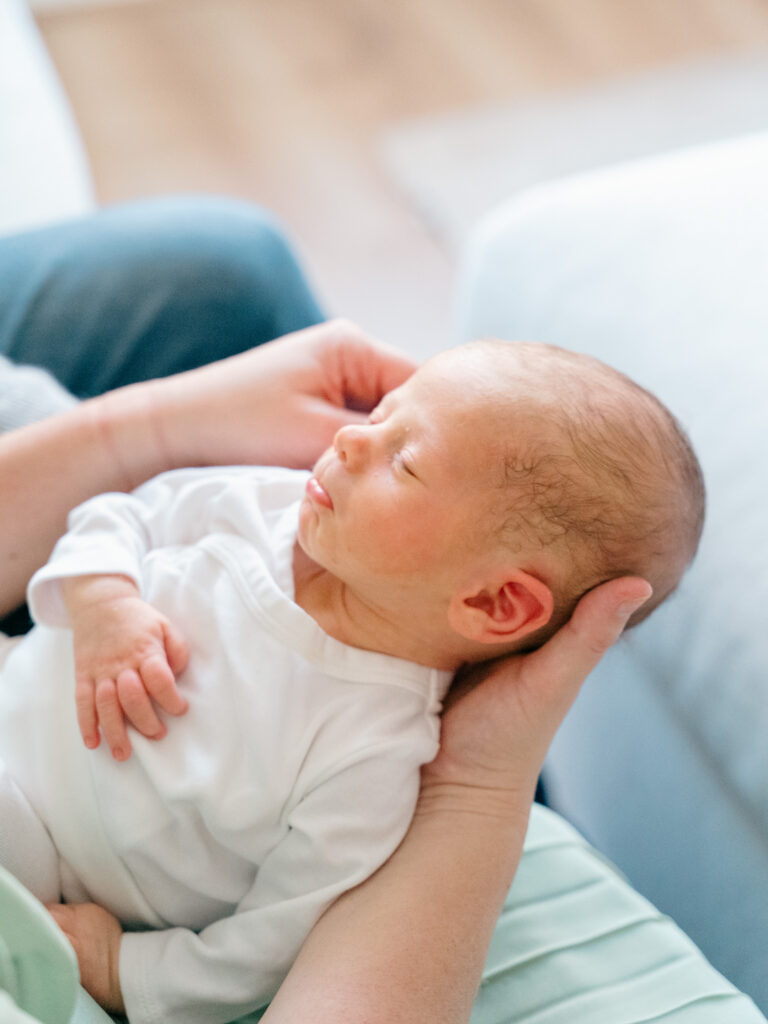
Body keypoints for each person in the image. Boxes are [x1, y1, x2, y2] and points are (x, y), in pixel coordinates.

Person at [0, 200, 653, 1024]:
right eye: (379, 416)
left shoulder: (371, 756)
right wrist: (102, 603)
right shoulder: (263, 504)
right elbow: (121, 514)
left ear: (494, 601)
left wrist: (123, 965)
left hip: (48, 848)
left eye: (403, 462)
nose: (347, 441)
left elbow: (269, 944)